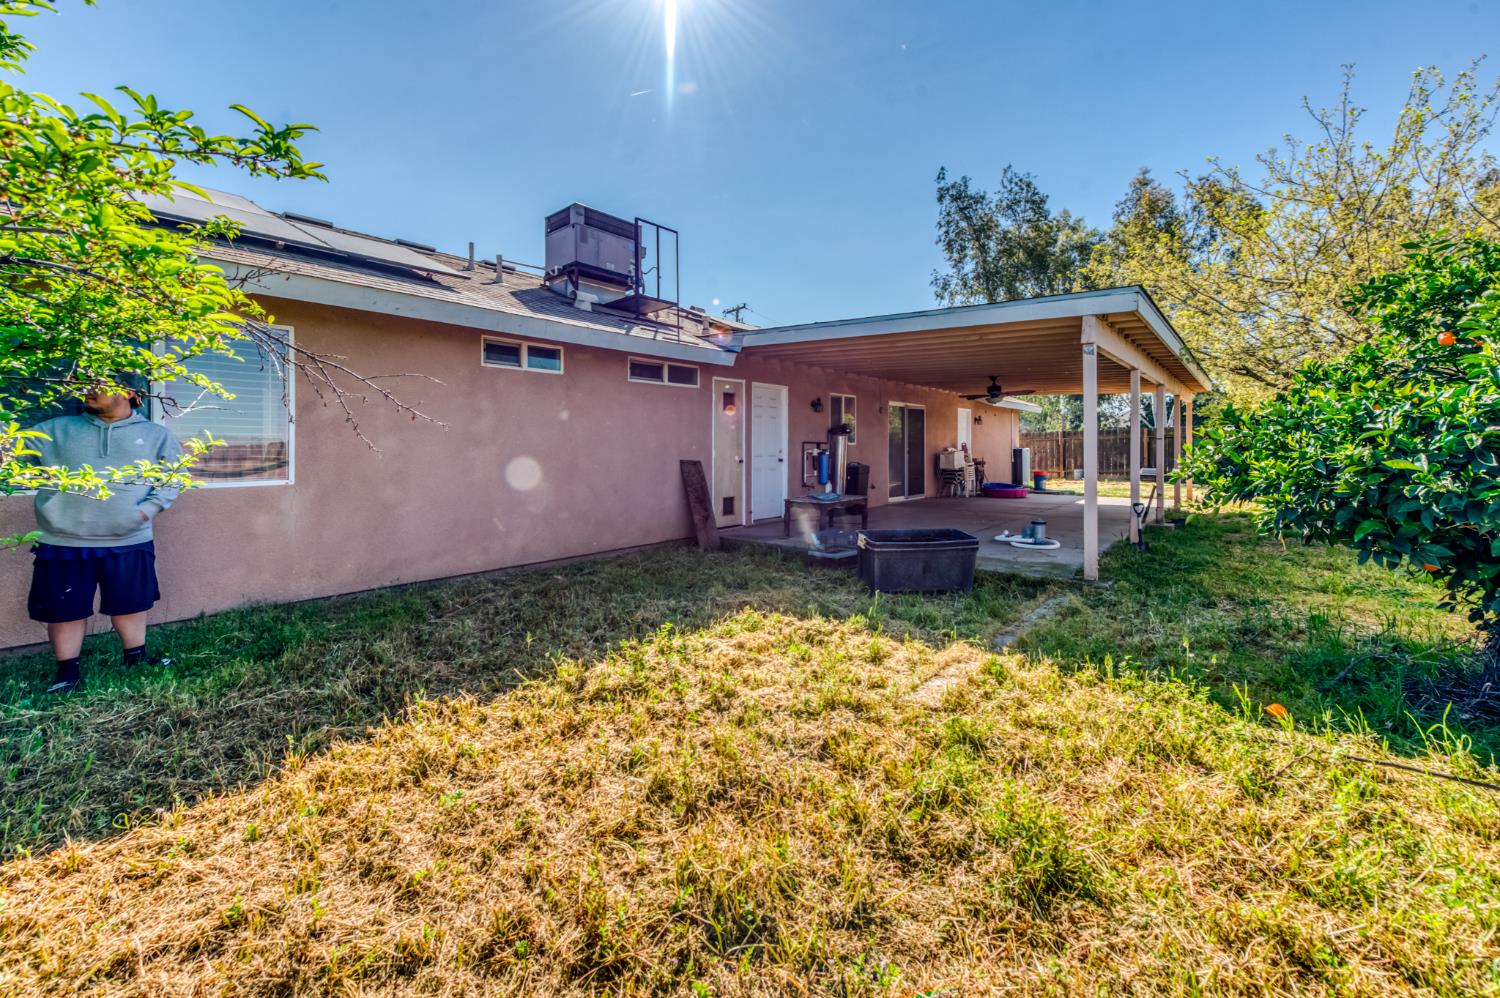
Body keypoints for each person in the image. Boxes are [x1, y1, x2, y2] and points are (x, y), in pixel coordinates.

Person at [26, 379, 183, 693]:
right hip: (63, 541)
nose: (89, 390)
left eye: (99, 384)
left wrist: (146, 511)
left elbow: (174, 477)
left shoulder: (155, 435)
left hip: (129, 539)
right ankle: (67, 673)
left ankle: (135, 657)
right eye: (85, 385)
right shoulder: (55, 429)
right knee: (64, 608)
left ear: (130, 393)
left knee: (131, 603)